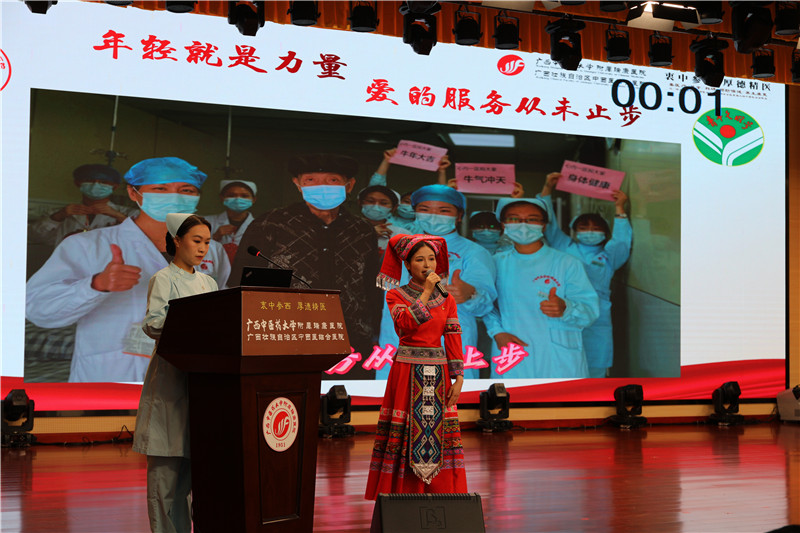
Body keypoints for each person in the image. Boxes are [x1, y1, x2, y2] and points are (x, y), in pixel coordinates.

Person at [26, 157, 230, 383]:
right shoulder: (87, 245)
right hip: (113, 374)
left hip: (187, 374)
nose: (174, 197)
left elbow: (222, 308)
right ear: (134, 193)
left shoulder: (212, 250)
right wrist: (96, 285)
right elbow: (38, 308)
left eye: (186, 190)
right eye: (160, 189)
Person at [230, 154, 380, 375]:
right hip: (287, 338)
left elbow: (372, 287)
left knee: (350, 395)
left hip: (351, 341)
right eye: (310, 180)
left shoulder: (362, 230)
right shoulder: (270, 223)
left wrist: (374, 332)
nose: (322, 187)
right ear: (297, 184)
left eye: (332, 180)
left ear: (349, 185)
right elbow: (244, 283)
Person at [133, 213, 218, 533]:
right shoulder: (163, 278)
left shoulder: (209, 283)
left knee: (192, 473)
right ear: (177, 241)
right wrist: (194, 324)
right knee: (165, 474)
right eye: (196, 241)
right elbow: (153, 323)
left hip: (202, 381)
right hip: (170, 379)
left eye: (207, 242)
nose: (203, 248)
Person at [366, 234, 467, 498]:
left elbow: (453, 336)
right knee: (407, 431)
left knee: (438, 432)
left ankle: (441, 492)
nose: (427, 264)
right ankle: (403, 492)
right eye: (420, 260)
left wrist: (458, 378)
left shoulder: (447, 299)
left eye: (431, 259)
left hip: (439, 372)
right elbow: (406, 324)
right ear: (408, 265)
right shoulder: (396, 295)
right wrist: (426, 292)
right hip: (407, 371)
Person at [377, 185, 496, 380]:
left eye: (444, 210)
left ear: (459, 216)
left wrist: (470, 294)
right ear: (415, 212)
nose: (433, 216)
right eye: (425, 209)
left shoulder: (473, 252)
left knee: (446, 394)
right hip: (396, 340)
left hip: (446, 343)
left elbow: (485, 304)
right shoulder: (398, 249)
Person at [483, 198, 600, 379]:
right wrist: (497, 332)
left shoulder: (567, 263)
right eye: (514, 219)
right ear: (503, 225)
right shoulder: (495, 263)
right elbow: (486, 305)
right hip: (511, 350)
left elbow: (590, 311)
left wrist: (566, 308)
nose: (523, 225)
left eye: (532, 219)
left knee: (560, 396)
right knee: (513, 396)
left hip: (558, 355)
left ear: (544, 226)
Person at [539, 172, 632, 378]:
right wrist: (547, 188)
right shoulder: (564, 246)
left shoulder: (608, 256)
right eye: (583, 227)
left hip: (598, 317)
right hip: (565, 310)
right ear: (574, 230)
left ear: (605, 232)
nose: (590, 231)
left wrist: (620, 208)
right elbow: (549, 224)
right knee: (565, 363)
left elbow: (622, 242)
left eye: (596, 228)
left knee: (595, 366)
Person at [28, 163, 137, 247]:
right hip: (69, 264)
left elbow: (141, 239)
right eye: (89, 180)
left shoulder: (130, 213)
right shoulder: (59, 214)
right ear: (78, 183)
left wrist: (119, 216)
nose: (96, 185)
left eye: (104, 182)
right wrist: (58, 216)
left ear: (115, 186)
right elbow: (34, 237)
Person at [205, 179, 257, 263]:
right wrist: (215, 238)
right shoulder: (206, 221)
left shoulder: (260, 226)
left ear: (254, 199)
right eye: (231, 195)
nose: (238, 199)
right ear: (222, 198)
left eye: (244, 196)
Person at [358, 184, 411, 255]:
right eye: (370, 201)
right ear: (360, 203)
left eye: (384, 203)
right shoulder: (346, 228)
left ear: (394, 208)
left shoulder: (402, 235)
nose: (376, 206)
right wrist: (370, 234)